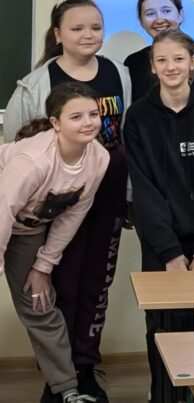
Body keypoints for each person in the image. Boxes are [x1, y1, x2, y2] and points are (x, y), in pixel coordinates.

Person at [4, 0, 131, 402]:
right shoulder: (35, 87)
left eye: (96, 27)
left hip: (95, 195)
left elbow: (125, 135)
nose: (88, 35)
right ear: (58, 34)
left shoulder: (119, 74)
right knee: (55, 287)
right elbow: (13, 168)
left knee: (94, 284)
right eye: (77, 28)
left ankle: (82, 371)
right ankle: (59, 378)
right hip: (38, 205)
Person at [124, 30, 194, 403]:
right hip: (161, 243)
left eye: (178, 59)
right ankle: (163, 396)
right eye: (162, 60)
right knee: (162, 328)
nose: (170, 67)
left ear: (192, 63)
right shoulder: (138, 117)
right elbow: (145, 192)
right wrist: (170, 253)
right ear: (152, 66)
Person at [1, 83, 110, 403]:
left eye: (93, 114)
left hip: (28, 229)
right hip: (4, 216)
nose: (88, 122)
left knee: (40, 305)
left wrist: (42, 266)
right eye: (76, 116)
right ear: (55, 123)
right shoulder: (33, 161)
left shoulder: (99, 158)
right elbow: (3, 212)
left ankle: (67, 391)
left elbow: (72, 215)